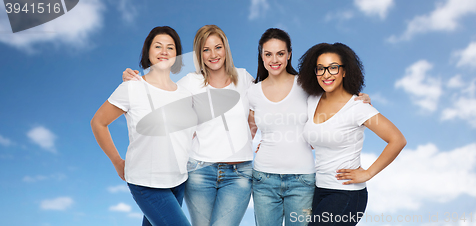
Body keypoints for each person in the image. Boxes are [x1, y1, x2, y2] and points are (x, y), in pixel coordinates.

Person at [123, 25, 254, 226]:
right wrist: (135, 82)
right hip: (199, 172)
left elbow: (265, 105)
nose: (213, 55)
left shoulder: (244, 78)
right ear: (199, 53)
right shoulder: (190, 83)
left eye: (218, 47)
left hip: (239, 174)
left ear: (226, 48)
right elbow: (160, 91)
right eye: (205, 49)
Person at [248, 28, 372, 226]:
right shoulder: (252, 92)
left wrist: (359, 97)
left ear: (289, 54)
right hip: (263, 179)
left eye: (280, 53)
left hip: (302, 180)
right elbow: (248, 130)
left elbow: (334, 95)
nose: (274, 59)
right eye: (268, 54)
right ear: (261, 57)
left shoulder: (305, 85)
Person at [91, 26, 196, 226]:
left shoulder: (185, 94)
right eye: (158, 46)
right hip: (146, 182)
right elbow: (98, 122)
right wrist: (116, 161)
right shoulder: (132, 87)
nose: (164, 51)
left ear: (177, 55)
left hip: (179, 180)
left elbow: (189, 134)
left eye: (170, 47)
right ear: (148, 51)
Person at [298, 43, 406, 225]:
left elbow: (397, 140)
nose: (326, 74)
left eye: (333, 68)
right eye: (320, 69)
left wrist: (368, 173)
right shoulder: (312, 100)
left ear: (345, 71)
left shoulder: (358, 107)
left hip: (346, 194)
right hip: (319, 189)